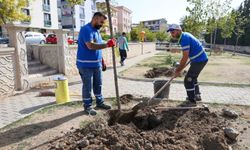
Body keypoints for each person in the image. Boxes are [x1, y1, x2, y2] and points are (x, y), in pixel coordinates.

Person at [76, 12, 116, 115]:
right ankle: (88, 106)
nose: (102, 24)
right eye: (101, 21)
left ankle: (100, 102)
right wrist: (107, 44)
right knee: (87, 86)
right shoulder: (86, 29)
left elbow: (98, 47)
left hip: (96, 64)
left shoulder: (96, 31)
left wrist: (102, 61)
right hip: (85, 65)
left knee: (98, 85)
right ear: (95, 18)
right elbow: (90, 46)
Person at [167, 24, 208, 105]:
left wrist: (178, 70)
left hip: (199, 60)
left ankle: (191, 101)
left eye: (173, 31)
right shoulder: (186, 35)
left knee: (188, 80)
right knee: (193, 78)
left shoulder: (184, 39)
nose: (172, 34)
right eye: (171, 32)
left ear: (178, 30)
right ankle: (197, 95)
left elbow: (185, 57)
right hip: (199, 58)